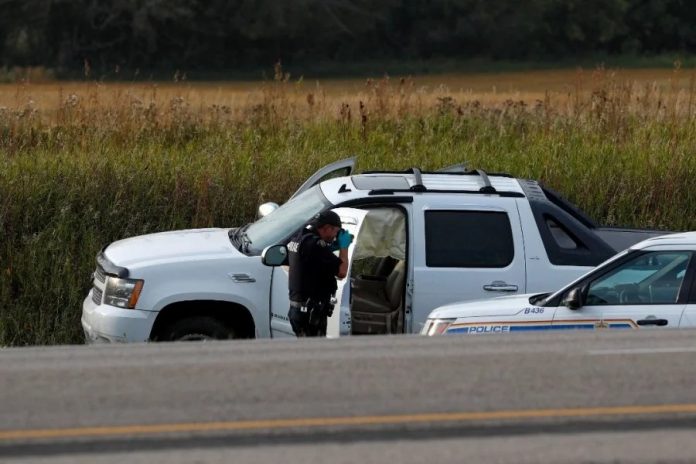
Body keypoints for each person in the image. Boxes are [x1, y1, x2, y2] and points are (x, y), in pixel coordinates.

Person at [287, 210, 353, 337]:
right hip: (311, 313)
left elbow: (312, 259)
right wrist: (344, 247)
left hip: (298, 310)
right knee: (315, 348)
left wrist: (330, 248)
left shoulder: (299, 238)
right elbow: (342, 272)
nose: (336, 236)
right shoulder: (316, 245)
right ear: (327, 228)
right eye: (336, 232)